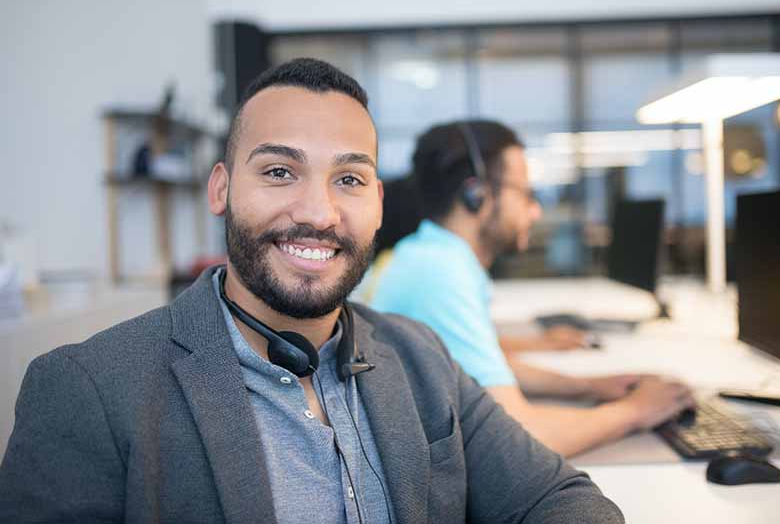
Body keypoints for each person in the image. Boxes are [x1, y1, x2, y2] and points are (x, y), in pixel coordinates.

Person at [0, 59, 623, 523]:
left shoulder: (420, 357)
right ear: (221, 189)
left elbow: (561, 500)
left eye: (348, 178)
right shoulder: (85, 391)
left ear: (378, 204)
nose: (319, 213)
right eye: (279, 171)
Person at [370, 120, 694, 458]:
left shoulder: (432, 254)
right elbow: (519, 439)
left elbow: (477, 366)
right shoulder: (440, 272)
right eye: (526, 193)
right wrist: (637, 411)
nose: (536, 210)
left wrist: (586, 387)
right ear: (476, 193)